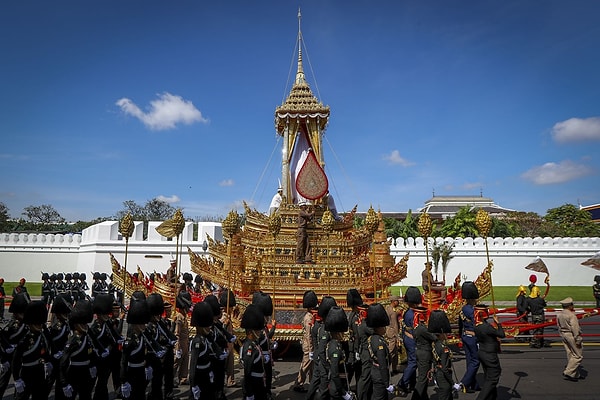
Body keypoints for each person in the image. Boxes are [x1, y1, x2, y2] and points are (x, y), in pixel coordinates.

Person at [12, 301, 51, 400]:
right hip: (26, 372)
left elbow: (45, 350)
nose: (40, 326)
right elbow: (16, 360)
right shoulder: (25, 338)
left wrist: (48, 361)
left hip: (39, 371)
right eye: (37, 323)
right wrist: (16, 378)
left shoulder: (42, 335)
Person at [59, 299, 97, 400]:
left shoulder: (87, 337)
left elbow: (92, 353)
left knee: (86, 396)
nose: (85, 326)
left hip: (86, 373)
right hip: (74, 373)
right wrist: (64, 383)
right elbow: (63, 363)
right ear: (76, 324)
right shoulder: (72, 341)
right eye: (82, 323)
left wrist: (92, 365)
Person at [89, 294, 122, 400]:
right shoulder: (95, 328)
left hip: (106, 361)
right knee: (91, 385)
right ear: (100, 314)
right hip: (98, 360)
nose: (108, 315)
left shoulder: (107, 325)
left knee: (102, 384)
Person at [120, 298, 153, 400]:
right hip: (132, 373)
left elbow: (146, 354)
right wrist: (123, 381)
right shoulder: (130, 342)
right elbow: (124, 362)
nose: (144, 326)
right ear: (136, 324)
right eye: (142, 324)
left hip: (141, 372)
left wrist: (148, 366)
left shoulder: (143, 337)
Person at [306, 295, 337, 400]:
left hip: (318, 356)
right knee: (323, 386)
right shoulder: (324, 328)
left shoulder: (318, 324)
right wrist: (325, 364)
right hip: (322, 359)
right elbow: (322, 346)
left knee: (315, 381)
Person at [474, 304, 504, 400]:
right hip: (490, 354)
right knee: (493, 378)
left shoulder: (477, 326)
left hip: (482, 352)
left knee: (488, 376)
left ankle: (492, 397)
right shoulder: (486, 327)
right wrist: (498, 323)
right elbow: (501, 334)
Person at [396, 286, 421, 397]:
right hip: (411, 339)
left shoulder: (408, 312)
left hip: (407, 337)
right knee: (413, 362)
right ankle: (402, 383)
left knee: (411, 361)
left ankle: (411, 383)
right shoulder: (413, 314)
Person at [189, 302, 217, 400]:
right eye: (206, 325)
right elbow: (193, 365)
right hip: (199, 378)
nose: (209, 327)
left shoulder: (205, 339)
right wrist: (193, 384)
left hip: (206, 375)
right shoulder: (197, 342)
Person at [366, 303, 394, 400]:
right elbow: (382, 364)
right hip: (380, 375)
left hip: (376, 372)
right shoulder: (379, 343)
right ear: (380, 327)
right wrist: (387, 383)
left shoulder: (374, 338)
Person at [252, 292, 277, 400]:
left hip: (267, 356)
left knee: (269, 377)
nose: (267, 318)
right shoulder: (259, 329)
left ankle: (267, 392)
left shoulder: (264, 327)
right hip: (262, 357)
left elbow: (268, 338)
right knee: (264, 378)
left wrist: (273, 328)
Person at [457, 282, 481, 393]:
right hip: (472, 337)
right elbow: (477, 324)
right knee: (475, 361)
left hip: (465, 335)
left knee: (469, 361)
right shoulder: (473, 311)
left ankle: (473, 384)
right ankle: (464, 383)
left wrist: (459, 335)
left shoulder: (463, 309)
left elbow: (460, 324)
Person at [240, 304, 267, 400]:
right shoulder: (249, 348)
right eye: (257, 330)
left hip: (259, 383)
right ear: (251, 332)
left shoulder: (254, 344)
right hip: (254, 385)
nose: (260, 332)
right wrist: (249, 393)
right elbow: (247, 372)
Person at [292, 290, 317, 392]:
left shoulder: (310, 315)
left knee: (312, 366)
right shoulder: (308, 318)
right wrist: (311, 350)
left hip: (310, 346)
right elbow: (309, 335)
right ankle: (298, 383)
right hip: (309, 346)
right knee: (306, 365)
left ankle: (313, 383)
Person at [324, 306, 350, 400]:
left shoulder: (336, 344)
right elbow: (335, 373)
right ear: (338, 333)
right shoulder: (335, 348)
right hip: (336, 389)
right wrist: (343, 392)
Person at [428, 310, 455, 400]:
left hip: (438, 373)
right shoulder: (443, 348)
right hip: (443, 376)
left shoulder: (435, 344)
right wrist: (453, 382)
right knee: (445, 394)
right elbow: (444, 367)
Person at [411, 306, 436, 400]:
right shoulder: (422, 329)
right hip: (425, 353)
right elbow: (433, 337)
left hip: (420, 351)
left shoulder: (416, 327)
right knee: (422, 378)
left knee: (424, 376)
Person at [556, 297, 583, 381]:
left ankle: (575, 374)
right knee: (578, 355)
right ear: (570, 306)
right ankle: (568, 372)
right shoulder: (571, 315)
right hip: (571, 335)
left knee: (570, 354)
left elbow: (558, 326)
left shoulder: (559, 314)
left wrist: (562, 335)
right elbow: (575, 328)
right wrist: (578, 339)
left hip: (564, 334)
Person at [173, 292, 191, 386]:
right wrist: (178, 346)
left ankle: (183, 378)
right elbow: (177, 333)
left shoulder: (184, 316)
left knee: (185, 361)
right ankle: (170, 378)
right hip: (180, 343)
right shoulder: (179, 317)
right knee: (176, 361)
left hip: (185, 342)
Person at [346, 289, 363, 387]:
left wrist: (357, 349)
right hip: (352, 347)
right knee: (351, 370)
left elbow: (358, 334)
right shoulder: (353, 314)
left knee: (357, 371)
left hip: (356, 347)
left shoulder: (357, 315)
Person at [385, 296, 400, 375]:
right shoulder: (392, 311)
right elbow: (394, 325)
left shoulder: (389, 309)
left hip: (391, 331)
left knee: (395, 352)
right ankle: (387, 367)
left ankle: (394, 368)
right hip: (392, 332)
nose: (398, 302)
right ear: (394, 301)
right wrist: (397, 335)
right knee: (391, 351)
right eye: (397, 301)